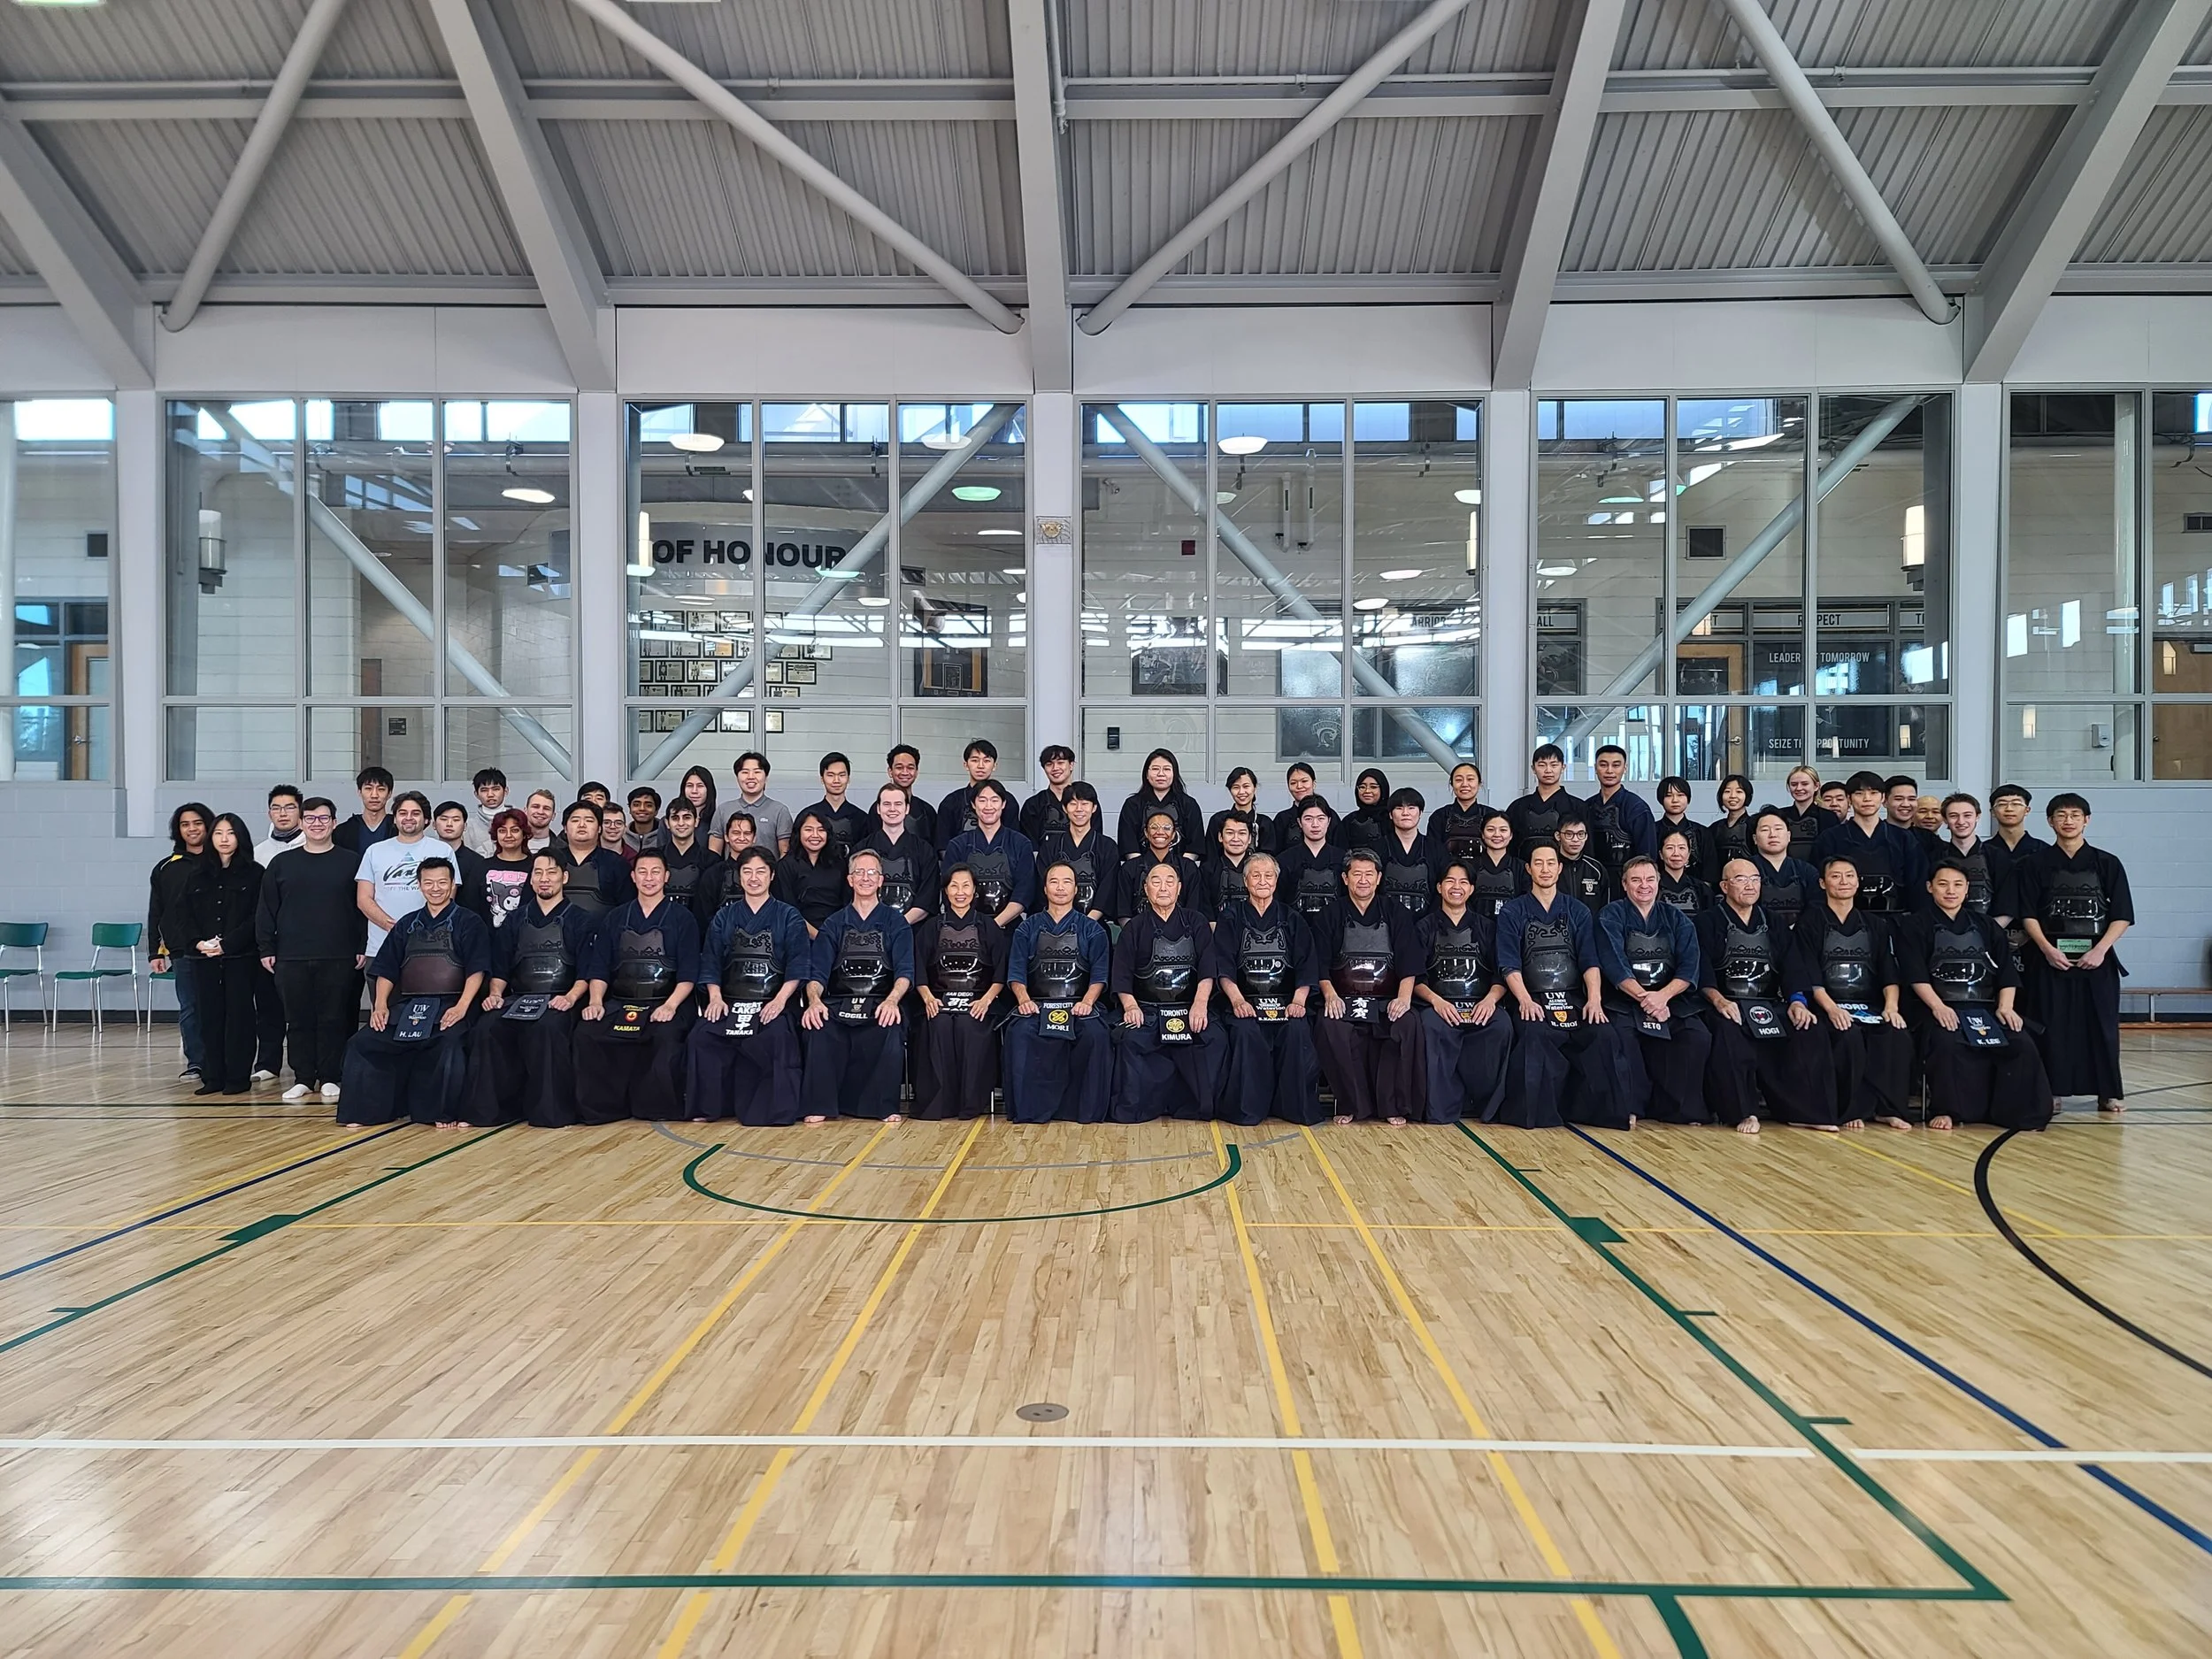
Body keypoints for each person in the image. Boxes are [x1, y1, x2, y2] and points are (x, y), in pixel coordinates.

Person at [1896, 860, 2054, 1132]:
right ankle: (1948, 1110)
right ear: (1929, 887)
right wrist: (1938, 1007)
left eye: (1958, 885)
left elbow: (2005, 971)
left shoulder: (1986, 925)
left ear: (1967, 889)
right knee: (1947, 1042)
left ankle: (2017, 1113)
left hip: (1986, 1008)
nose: (1950, 891)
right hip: (1936, 1007)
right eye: (1943, 884)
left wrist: (2006, 1007)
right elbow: (1915, 974)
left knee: (2020, 1043)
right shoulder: (1915, 925)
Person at [337, 856, 489, 1128]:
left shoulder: (469, 921)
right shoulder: (407, 924)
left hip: (451, 1003)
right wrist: (381, 1005)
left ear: (452, 884)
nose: (435, 888)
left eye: (442, 882)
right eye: (428, 883)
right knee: (363, 1043)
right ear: (419, 885)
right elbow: (387, 969)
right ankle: (367, 1112)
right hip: (408, 1006)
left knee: (449, 1042)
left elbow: (476, 970)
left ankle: (441, 1113)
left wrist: (462, 1007)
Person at [1495, 844, 1633, 1129]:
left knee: (1604, 1035)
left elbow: (1590, 961)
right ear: (1529, 869)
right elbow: (1509, 963)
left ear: (1559, 868)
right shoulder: (1513, 911)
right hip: (1532, 997)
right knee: (1534, 1033)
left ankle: (1603, 1113)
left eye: (1551, 863)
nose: (1545, 869)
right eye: (1539, 863)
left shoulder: (1578, 911)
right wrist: (1524, 1000)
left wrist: (1594, 1000)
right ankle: (1536, 1116)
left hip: (1574, 998)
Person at [2015, 793, 2132, 1114]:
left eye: (2075, 815)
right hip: (2050, 957)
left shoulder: (2108, 863)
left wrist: (2101, 950)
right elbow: (2028, 915)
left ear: (2087, 820)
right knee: (2049, 1024)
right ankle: (2051, 1090)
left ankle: (2107, 1092)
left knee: (2102, 1025)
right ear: (2050, 821)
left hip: (2097, 959)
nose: (2068, 821)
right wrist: (2047, 949)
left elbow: (2121, 915)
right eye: (2061, 815)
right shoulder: (2034, 864)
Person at [1696, 859, 1832, 1133]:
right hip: (1726, 1002)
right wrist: (1718, 1000)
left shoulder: (1774, 922)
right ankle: (1742, 1112)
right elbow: (1702, 971)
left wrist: (1797, 1001)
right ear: (1724, 886)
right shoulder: (1707, 921)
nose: (1749, 885)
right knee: (1727, 1032)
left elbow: (1792, 965)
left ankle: (1803, 1112)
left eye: (1755, 879)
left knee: (1808, 1029)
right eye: (1740, 879)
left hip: (1769, 1002)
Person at [460, 852, 595, 1128]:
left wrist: (570, 998)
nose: (544, 879)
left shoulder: (581, 920)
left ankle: (551, 1113)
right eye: (538, 873)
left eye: (551, 872)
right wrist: (495, 994)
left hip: (561, 999)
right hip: (518, 998)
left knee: (547, 1027)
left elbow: (588, 970)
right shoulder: (515, 920)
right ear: (530, 880)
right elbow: (500, 968)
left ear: (564, 877)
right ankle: (491, 1112)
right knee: (487, 1028)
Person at [573, 849, 701, 1124]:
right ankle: (603, 1110)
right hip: (620, 1000)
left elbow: (689, 973)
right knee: (588, 1032)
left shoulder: (682, 918)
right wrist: (595, 1001)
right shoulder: (616, 917)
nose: (649, 878)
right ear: (633, 877)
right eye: (642, 872)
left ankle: (657, 1108)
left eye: (656, 872)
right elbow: (600, 966)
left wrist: (670, 1005)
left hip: (666, 1000)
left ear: (666, 877)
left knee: (665, 1035)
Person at [688, 848, 810, 1127]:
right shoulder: (724, 916)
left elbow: (798, 963)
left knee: (776, 1037)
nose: (753, 878)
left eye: (760, 872)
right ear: (738, 876)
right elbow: (711, 961)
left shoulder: (789, 916)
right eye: (747, 872)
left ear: (772, 876)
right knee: (702, 1037)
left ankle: (772, 1111)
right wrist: (715, 998)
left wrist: (780, 1001)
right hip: (730, 1001)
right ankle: (711, 1107)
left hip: (772, 1001)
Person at [256, 796, 366, 1103]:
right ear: (302, 823)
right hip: (291, 956)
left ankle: (331, 1075)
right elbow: (266, 909)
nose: (317, 824)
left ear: (333, 823)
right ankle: (303, 1077)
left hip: (339, 954)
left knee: (334, 1018)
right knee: (299, 1018)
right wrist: (266, 947)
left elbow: (361, 908)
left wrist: (360, 945)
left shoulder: (351, 861)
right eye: (311, 818)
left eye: (323, 818)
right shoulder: (282, 863)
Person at [1795, 856, 1915, 1131]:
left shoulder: (1875, 924)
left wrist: (1891, 1007)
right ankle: (1850, 1109)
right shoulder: (1810, 921)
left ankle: (1888, 1109)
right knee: (1847, 1036)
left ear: (1858, 882)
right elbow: (1810, 975)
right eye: (1836, 877)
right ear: (1823, 883)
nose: (1843, 882)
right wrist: (1832, 1009)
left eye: (1849, 876)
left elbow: (1888, 973)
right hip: (1826, 1005)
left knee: (1895, 1034)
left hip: (1869, 1005)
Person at [800, 849, 916, 1124]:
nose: (866, 878)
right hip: (839, 1003)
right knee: (819, 1026)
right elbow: (817, 975)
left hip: (880, 1001)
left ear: (881, 881)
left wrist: (892, 1001)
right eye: (860, 873)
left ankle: (882, 1106)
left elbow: (905, 973)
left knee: (890, 1025)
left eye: (872, 873)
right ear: (850, 880)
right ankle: (821, 1104)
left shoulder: (895, 922)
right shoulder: (834, 923)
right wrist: (815, 1001)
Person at [1308, 849, 1420, 1125]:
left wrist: (1404, 999)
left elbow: (1409, 962)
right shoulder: (1329, 914)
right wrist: (1330, 996)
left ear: (1379, 878)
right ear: (1345, 879)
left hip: (1385, 1001)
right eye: (1356, 874)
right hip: (1344, 999)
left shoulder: (1397, 913)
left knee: (1406, 1024)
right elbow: (1319, 964)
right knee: (1330, 1025)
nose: (1363, 880)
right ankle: (1350, 1104)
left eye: (1369, 874)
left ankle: (1392, 1106)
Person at [1596, 856, 1710, 1126]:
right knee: (1621, 1034)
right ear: (1624, 885)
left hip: (1670, 999)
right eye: (1636, 880)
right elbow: (1614, 963)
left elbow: (1689, 965)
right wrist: (1646, 999)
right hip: (1627, 998)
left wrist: (1662, 997)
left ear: (1659, 883)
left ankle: (1680, 1109)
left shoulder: (1677, 918)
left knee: (1697, 1036)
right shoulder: (1610, 915)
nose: (1643, 886)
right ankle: (1631, 1106)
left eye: (1649, 879)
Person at [1110, 861, 1224, 1124]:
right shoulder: (1134, 928)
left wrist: (1200, 1004)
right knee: (1129, 1040)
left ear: (1180, 888)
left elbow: (1208, 968)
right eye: (1156, 881)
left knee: (1215, 1038)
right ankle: (1139, 1108)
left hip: (1189, 1007)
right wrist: (1130, 1006)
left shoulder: (1196, 922)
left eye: (1169, 881)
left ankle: (1198, 1106)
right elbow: (1122, 975)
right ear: (1146, 889)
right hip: (1148, 1009)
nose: (1163, 887)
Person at [1213, 853, 1323, 1125]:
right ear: (1246, 881)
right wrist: (1237, 1001)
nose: (1262, 881)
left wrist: (1298, 1001)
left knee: (1297, 1030)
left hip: (1286, 1002)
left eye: (1268, 876)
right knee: (1246, 1030)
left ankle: (1294, 1108)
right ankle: (1248, 1110)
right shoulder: (1231, 917)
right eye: (1256, 876)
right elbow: (1223, 966)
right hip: (1245, 1001)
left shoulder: (1292, 918)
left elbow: (1306, 965)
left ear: (1276, 880)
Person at [1002, 862, 1114, 1124]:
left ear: (1076, 889)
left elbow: (1099, 975)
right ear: (1045, 888)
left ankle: (1086, 1111)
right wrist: (1024, 1000)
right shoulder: (1026, 928)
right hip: (1038, 1005)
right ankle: (1029, 1111)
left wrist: (1088, 1002)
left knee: (1096, 1035)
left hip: (1079, 1005)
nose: (1060, 887)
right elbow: (1016, 973)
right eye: (1054, 881)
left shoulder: (1092, 929)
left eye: (1067, 882)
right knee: (1019, 1033)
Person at [1409, 860, 1512, 1124]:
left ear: (1472, 889)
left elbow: (1501, 973)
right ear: (1439, 887)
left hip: (1480, 1002)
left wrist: (1490, 1000)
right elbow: (1415, 977)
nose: (1457, 887)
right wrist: (1436, 1002)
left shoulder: (1487, 926)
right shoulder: (1423, 927)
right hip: (1438, 1004)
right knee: (1430, 1025)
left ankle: (1486, 1106)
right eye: (1451, 882)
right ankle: (1441, 1108)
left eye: (1463, 882)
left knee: (1502, 1025)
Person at [911, 865, 1008, 1119]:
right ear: (945, 891)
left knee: (969, 1025)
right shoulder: (931, 927)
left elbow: (1001, 972)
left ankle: (970, 1104)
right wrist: (927, 997)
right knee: (939, 1025)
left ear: (975, 890)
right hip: (938, 999)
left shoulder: (989, 927)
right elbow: (918, 967)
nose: (960, 892)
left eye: (966, 886)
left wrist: (987, 1000)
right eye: (954, 886)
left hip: (978, 999)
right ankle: (939, 1104)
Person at [183, 814, 265, 1096]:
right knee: (209, 1017)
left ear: (240, 837)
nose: (224, 838)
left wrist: (227, 943)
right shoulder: (196, 874)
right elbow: (184, 916)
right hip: (203, 958)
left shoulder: (255, 873)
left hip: (240, 957)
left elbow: (257, 918)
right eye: (218, 833)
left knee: (239, 1018)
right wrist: (198, 943)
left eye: (230, 833)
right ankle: (213, 1076)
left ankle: (238, 1077)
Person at [150, 803, 212, 1080]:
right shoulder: (166, 867)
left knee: (226, 1007)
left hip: (221, 949)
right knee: (191, 1007)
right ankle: (196, 1062)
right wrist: (155, 951)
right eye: (185, 824)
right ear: (178, 830)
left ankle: (227, 1060)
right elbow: (156, 911)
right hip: (183, 951)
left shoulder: (223, 861)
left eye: (197, 823)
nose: (192, 829)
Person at [1814, 771, 1924, 914]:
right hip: (1845, 919)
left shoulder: (1903, 838)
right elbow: (1819, 883)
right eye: (1859, 793)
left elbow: (1917, 884)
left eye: (1873, 793)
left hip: (1896, 917)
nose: (1867, 799)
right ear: (1849, 799)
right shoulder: (1830, 838)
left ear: (1883, 798)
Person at [941, 780, 1036, 929]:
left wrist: (993, 926)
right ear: (973, 804)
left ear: (1003, 804)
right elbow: (949, 890)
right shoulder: (957, 845)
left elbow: (1024, 892)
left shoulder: (1021, 844)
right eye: (982, 800)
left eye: (994, 800)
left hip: (1009, 930)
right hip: (966, 928)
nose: (988, 806)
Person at [356, 792, 434, 956]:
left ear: (426, 819)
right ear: (394, 818)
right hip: (381, 948)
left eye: (416, 813)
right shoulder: (374, 851)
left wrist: (416, 929)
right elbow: (363, 899)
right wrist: (393, 927)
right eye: (403, 813)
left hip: (428, 948)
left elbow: (448, 897)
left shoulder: (442, 851)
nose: (408, 818)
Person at [854, 783, 939, 928]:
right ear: (878, 809)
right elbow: (853, 895)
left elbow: (928, 898)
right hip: (869, 929)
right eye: (887, 804)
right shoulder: (861, 850)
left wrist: (899, 924)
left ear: (907, 809)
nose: (892, 809)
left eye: (898, 804)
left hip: (913, 930)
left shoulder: (924, 850)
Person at [1037, 782, 1117, 922]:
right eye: (1073, 804)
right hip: (1054, 923)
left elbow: (1108, 890)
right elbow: (1042, 887)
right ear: (1065, 808)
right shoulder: (1050, 847)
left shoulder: (1107, 847)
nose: (1079, 809)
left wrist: (1086, 924)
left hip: (1094, 924)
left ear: (1094, 808)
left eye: (1085, 804)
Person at [551, 799, 633, 922]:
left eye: (589, 820)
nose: (582, 825)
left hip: (602, 937)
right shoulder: (549, 860)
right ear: (565, 828)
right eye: (575, 820)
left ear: (599, 828)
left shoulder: (617, 864)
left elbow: (628, 910)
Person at [1118, 803, 1201, 922]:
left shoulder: (1188, 868)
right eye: (1154, 827)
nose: (1160, 832)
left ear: (1173, 835)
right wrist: (1134, 936)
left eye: (1167, 828)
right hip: (1138, 934)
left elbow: (1194, 912)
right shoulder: (1130, 868)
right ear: (1146, 833)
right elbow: (1123, 912)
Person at [1114, 747, 1206, 855]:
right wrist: (1139, 870)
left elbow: (1195, 846)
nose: (1161, 774)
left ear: (1174, 774)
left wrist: (1183, 869)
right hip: (1140, 869)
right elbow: (1128, 845)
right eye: (1155, 769)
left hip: (1181, 869)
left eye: (1167, 769)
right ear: (1147, 775)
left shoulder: (1188, 804)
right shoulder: (1132, 805)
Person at [773, 807, 848, 933]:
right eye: (808, 830)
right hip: (797, 933)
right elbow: (786, 908)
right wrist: (816, 935)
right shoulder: (785, 865)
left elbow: (846, 903)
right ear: (799, 832)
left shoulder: (839, 864)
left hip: (835, 933)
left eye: (821, 830)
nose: (815, 835)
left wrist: (832, 935)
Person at [1747, 808, 1821, 931]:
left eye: (1778, 829)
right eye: (1765, 830)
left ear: (1789, 836)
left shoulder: (1807, 871)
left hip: (1800, 936)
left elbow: (1817, 906)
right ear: (1755, 839)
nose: (1773, 834)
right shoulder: (1745, 869)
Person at [1506, 743, 1582, 861]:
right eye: (1542, 765)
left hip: (1566, 873)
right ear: (1533, 769)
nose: (1548, 770)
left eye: (1554, 765)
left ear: (1563, 767)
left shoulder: (1578, 807)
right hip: (1523, 872)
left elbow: (1586, 848)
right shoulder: (1517, 807)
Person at [1932, 792, 2002, 918]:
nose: (1961, 821)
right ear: (1945, 820)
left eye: (1967, 815)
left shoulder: (1996, 856)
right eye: (1953, 816)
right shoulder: (1934, 856)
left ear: (1977, 816)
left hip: (1991, 930)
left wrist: (1989, 931)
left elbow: (2008, 904)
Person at [1277, 797, 1347, 919]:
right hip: (1295, 929)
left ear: (1329, 821)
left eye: (1321, 818)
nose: (1315, 825)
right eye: (1308, 819)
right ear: (1299, 822)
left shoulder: (1342, 859)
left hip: (1334, 928)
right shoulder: (1285, 860)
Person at [469, 809, 535, 934]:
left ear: (524, 834)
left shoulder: (535, 866)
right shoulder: (481, 867)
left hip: (527, 940)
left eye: (515, 830)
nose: (508, 835)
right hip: (490, 940)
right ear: (496, 835)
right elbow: (472, 907)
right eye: (502, 831)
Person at [690, 810, 760, 928]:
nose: (742, 838)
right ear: (726, 837)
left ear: (754, 838)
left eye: (747, 833)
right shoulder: (713, 874)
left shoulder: (765, 873)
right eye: (736, 833)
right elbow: (703, 915)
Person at [1378, 787, 1439, 923]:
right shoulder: (1376, 847)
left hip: (1426, 924)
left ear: (1421, 812)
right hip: (1384, 923)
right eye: (1399, 808)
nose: (1405, 813)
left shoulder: (1436, 849)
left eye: (1411, 808)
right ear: (1390, 814)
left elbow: (1441, 889)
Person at [935, 739, 1003, 849]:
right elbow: (942, 846)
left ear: (995, 765)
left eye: (986, 761)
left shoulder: (1007, 800)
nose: (981, 766)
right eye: (975, 760)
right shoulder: (951, 802)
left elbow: (1014, 842)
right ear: (966, 765)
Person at [656, 799, 717, 918]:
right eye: (675, 818)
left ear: (696, 821)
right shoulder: (656, 858)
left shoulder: (711, 860)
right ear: (667, 823)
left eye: (687, 817)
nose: (681, 823)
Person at [433, 802, 490, 923]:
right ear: (434, 824)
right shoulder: (426, 858)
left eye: (456, 820)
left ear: (465, 826)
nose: (449, 824)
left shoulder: (478, 862)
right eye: (444, 819)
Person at [1467, 810, 1527, 922]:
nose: (1497, 835)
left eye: (1503, 830)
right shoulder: (1470, 866)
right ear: (1483, 835)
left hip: (1512, 928)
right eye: (1490, 830)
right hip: (1476, 929)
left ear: (1511, 835)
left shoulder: (1521, 868)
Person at [1655, 777, 1716, 886]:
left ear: (1688, 798)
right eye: (1669, 795)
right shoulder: (1652, 831)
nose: (1675, 800)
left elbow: (1710, 872)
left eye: (1680, 795)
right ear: (1660, 799)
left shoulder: (1702, 832)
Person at [731, 752, 795, 856]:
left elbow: (785, 852)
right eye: (745, 772)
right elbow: (714, 852)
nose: (751, 777)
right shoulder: (723, 810)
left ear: (766, 777)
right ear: (737, 777)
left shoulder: (780, 811)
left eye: (757, 772)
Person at [874, 744, 938, 848]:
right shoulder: (878, 809)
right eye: (899, 767)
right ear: (890, 771)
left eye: (910, 768)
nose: (905, 772)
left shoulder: (927, 811)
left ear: (916, 772)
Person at [1198, 811, 1258, 919]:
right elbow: (1205, 909)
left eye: (1242, 833)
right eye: (1230, 833)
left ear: (1250, 839)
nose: (1236, 839)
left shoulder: (1259, 869)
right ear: (1220, 837)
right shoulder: (1207, 870)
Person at [809, 751, 870, 856]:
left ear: (848, 778)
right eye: (830, 775)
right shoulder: (809, 815)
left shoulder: (861, 818)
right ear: (822, 779)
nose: (836, 780)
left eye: (841, 775)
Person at [1428, 763, 1488, 865]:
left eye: (1470, 779)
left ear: (1479, 784)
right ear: (1452, 784)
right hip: (1448, 875)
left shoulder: (1490, 815)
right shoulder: (1439, 816)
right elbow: (1432, 853)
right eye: (1459, 780)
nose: (1465, 784)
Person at [1207, 766, 1276, 854]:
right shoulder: (1218, 820)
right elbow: (1211, 856)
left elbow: (1268, 857)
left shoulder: (1265, 823)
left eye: (1246, 786)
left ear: (1254, 788)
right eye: (1236, 787)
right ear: (1230, 790)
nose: (1241, 792)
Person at [1270, 762, 1337, 850]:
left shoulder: (1329, 814)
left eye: (1304, 781)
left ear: (1314, 783)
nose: (1299, 786)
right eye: (1293, 783)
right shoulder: (1282, 818)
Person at [1774, 764, 1835, 864]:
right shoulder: (1779, 815)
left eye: (1804, 784)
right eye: (1794, 784)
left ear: (1816, 786)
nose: (1799, 788)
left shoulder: (1828, 817)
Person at [1021, 744, 1079, 844]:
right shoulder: (1033, 805)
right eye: (1049, 764)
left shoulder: (1086, 801)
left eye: (1060, 763)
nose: (1055, 768)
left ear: (1071, 765)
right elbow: (1030, 844)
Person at [1554, 813, 1610, 910]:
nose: (1575, 840)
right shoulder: (1550, 867)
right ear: (1558, 836)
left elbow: (1605, 909)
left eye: (1580, 834)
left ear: (1586, 836)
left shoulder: (1597, 869)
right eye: (1569, 834)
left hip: (1589, 925)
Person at [335, 766, 396, 854]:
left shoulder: (398, 829)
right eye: (368, 789)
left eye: (381, 789)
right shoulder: (343, 831)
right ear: (359, 792)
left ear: (389, 794)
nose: (374, 795)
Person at [1655, 826, 1711, 917]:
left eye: (1681, 848)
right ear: (1661, 854)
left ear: (1688, 854)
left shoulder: (1701, 889)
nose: (1676, 854)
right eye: (1670, 848)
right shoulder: (1652, 887)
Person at [1340, 768, 1392, 858]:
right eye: (1362, 787)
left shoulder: (1392, 818)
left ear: (1383, 789)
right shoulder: (1349, 820)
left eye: (1373, 787)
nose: (1367, 791)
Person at [1709, 773, 1756, 868]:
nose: (1732, 796)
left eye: (1739, 792)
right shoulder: (1715, 828)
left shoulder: (1754, 826)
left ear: (1747, 796)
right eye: (1727, 791)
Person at [461, 767, 509, 856]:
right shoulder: (467, 827)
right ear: (476, 794)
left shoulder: (519, 822)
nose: (490, 794)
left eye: (495, 789)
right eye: (484, 790)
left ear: (506, 791)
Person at [254, 783, 304, 866]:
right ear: (269, 814)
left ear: (301, 811)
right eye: (276, 808)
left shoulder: (313, 847)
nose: (283, 814)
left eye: (290, 808)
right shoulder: (258, 854)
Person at [677, 765, 720, 854]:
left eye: (700, 786)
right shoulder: (669, 821)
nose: (694, 791)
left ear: (709, 790)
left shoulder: (717, 821)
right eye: (690, 786)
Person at [620, 787, 664, 861]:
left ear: (656, 810)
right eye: (636, 804)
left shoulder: (666, 837)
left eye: (649, 805)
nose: (642, 809)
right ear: (630, 809)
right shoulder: (621, 837)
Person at [522, 788, 558, 853]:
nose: (540, 812)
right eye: (535, 807)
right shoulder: (512, 844)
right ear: (525, 811)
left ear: (553, 815)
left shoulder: (563, 849)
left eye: (546, 808)